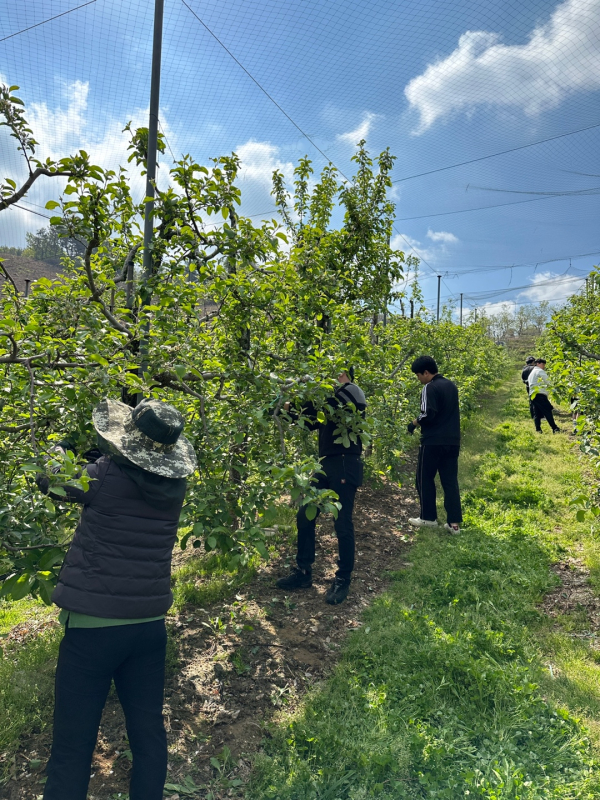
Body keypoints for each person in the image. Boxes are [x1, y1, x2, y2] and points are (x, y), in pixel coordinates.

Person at [37, 398, 197, 800]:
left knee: (73, 745)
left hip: (92, 631)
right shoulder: (175, 489)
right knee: (147, 733)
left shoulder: (103, 475)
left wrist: (60, 446)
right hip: (147, 628)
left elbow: (51, 479)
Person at [276, 368, 366, 605]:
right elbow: (309, 419)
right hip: (325, 463)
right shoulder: (327, 399)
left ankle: (343, 578)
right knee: (305, 513)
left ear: (344, 372)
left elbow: (330, 403)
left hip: (346, 463)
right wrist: (286, 409)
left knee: (342, 521)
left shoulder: (352, 391)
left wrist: (306, 393)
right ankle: (303, 572)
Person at [406, 355, 462, 533]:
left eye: (418, 375)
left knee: (424, 479)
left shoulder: (429, 388)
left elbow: (427, 414)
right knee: (450, 481)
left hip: (432, 442)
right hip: (452, 441)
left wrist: (414, 423)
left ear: (426, 372)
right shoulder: (451, 385)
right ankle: (454, 523)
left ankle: (428, 518)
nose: (418, 379)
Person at [528, 358, 560, 434]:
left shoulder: (532, 373)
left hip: (533, 394)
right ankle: (554, 428)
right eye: (543, 364)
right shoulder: (539, 371)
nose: (544, 366)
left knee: (537, 412)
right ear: (538, 363)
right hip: (540, 394)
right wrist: (555, 391)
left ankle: (538, 429)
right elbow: (548, 381)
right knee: (547, 411)